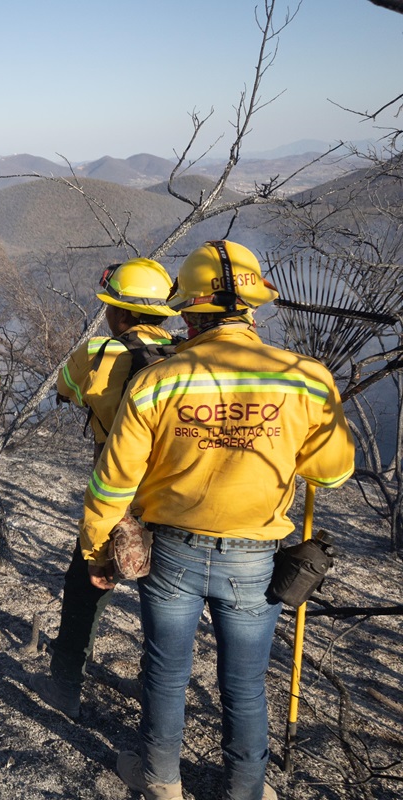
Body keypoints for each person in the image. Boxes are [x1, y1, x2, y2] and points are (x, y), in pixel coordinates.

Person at [79, 241, 354, 800]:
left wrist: (96, 552)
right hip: (255, 559)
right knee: (246, 684)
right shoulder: (306, 378)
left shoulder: (159, 380)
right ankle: (245, 791)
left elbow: (113, 482)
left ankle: (160, 782)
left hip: (171, 553)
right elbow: (332, 471)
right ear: (253, 308)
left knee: (164, 672)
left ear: (188, 310)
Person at [30, 257, 179, 719]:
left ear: (118, 313)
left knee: (86, 587)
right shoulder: (186, 356)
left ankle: (66, 685)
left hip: (117, 497)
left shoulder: (97, 354)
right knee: (167, 602)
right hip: (174, 500)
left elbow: (66, 386)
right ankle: (153, 685)